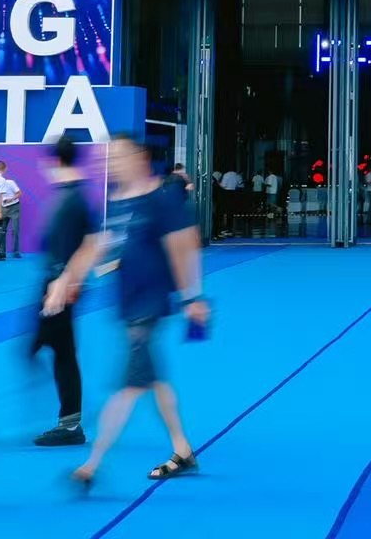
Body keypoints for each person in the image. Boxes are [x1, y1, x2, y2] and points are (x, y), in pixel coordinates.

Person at [54, 132, 211, 491]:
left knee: (128, 385)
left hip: (149, 303)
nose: (111, 164)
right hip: (128, 301)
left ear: (139, 158)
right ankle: (182, 450)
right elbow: (102, 247)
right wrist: (68, 278)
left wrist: (192, 297)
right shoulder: (116, 200)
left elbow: (184, 246)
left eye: (118, 156)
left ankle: (91, 465)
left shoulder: (161, 198)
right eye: (107, 158)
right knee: (154, 379)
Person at [32, 134, 102, 448]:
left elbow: (86, 245)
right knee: (61, 352)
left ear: (54, 161)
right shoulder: (71, 196)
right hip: (58, 285)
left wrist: (66, 283)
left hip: (58, 287)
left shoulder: (71, 200)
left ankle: (70, 424)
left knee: (53, 352)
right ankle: (70, 421)